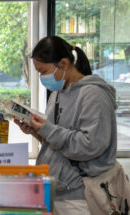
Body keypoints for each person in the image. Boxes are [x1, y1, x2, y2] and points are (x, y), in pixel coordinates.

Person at [15, 36, 117, 215]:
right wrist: (36, 131)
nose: (41, 77)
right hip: (58, 188)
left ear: (63, 63)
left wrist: (47, 129)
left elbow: (90, 145)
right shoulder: (58, 93)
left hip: (80, 194)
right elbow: (57, 140)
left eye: (43, 71)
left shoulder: (94, 95)